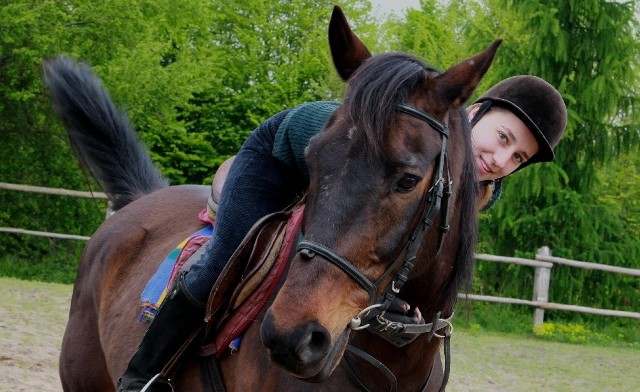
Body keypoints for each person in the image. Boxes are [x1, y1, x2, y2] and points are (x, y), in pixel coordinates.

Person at [117, 75, 567, 391]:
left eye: (519, 159)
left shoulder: (485, 189)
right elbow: (348, 213)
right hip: (278, 159)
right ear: (474, 111)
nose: (501, 161)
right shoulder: (400, 134)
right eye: (504, 138)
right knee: (224, 257)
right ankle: (143, 375)